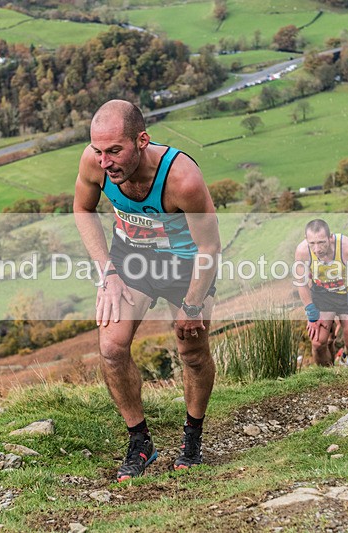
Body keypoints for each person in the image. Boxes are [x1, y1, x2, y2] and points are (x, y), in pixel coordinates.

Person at [73, 100, 221, 481]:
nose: (105, 162)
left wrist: (192, 305)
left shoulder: (181, 179)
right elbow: (83, 209)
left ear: (142, 140)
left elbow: (209, 247)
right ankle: (140, 441)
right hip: (130, 261)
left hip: (185, 265)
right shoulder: (95, 164)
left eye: (114, 151)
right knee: (111, 347)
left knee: (191, 350)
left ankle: (192, 436)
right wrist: (107, 274)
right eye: (98, 151)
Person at [294, 218, 348, 366]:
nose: (317, 249)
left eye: (321, 242)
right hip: (323, 295)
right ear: (306, 240)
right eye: (312, 243)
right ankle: (328, 374)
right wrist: (312, 314)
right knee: (317, 342)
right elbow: (301, 283)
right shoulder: (303, 252)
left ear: (330, 237)